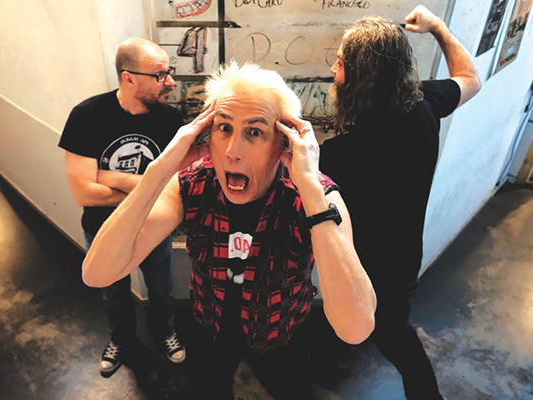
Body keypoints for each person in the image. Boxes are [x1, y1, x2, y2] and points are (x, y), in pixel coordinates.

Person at [82, 61, 377, 399]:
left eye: (255, 132)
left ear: (284, 143)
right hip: (210, 327)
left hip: (279, 334)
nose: (232, 152)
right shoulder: (193, 183)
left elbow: (355, 328)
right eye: (224, 128)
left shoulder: (317, 197)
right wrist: (159, 171)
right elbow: (97, 273)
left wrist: (310, 188)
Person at [320, 5, 482, 400]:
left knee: (394, 337)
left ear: (368, 80)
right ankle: (327, 358)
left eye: (341, 63)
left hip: (372, 270)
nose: (333, 70)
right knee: (352, 322)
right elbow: (470, 79)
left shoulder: (342, 154)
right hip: (404, 258)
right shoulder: (422, 105)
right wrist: (438, 26)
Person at [58, 37, 187, 377]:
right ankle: (121, 340)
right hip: (103, 227)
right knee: (113, 292)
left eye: (169, 72)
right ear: (128, 77)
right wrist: (149, 187)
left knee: (162, 290)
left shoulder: (171, 120)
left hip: (153, 226)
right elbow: (85, 194)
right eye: (159, 75)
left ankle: (165, 333)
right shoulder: (87, 116)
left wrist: (111, 177)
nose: (170, 82)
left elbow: (174, 188)